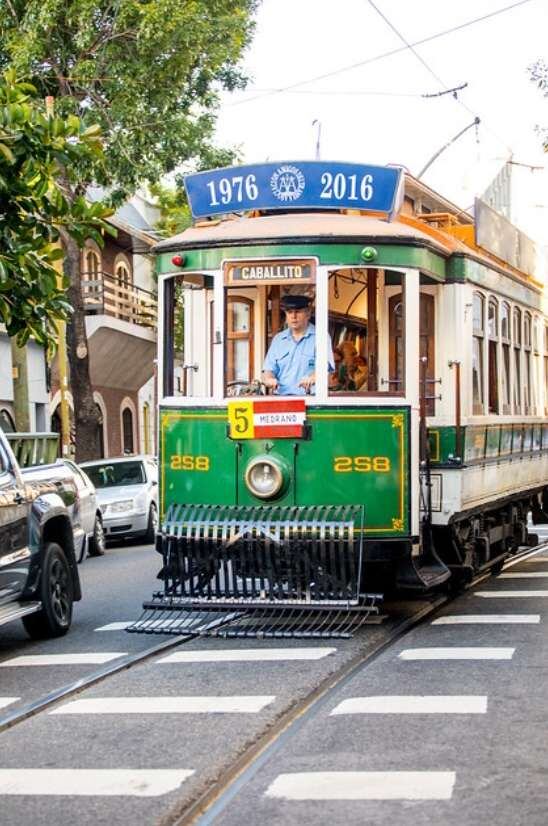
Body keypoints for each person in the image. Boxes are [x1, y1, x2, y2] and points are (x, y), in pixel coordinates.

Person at [262, 294, 333, 395]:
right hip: (282, 400)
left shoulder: (321, 337)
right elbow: (268, 370)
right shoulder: (278, 340)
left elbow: (325, 368)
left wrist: (312, 378)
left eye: (298, 312)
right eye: (290, 312)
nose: (293, 316)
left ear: (308, 314)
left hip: (310, 400)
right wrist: (269, 379)